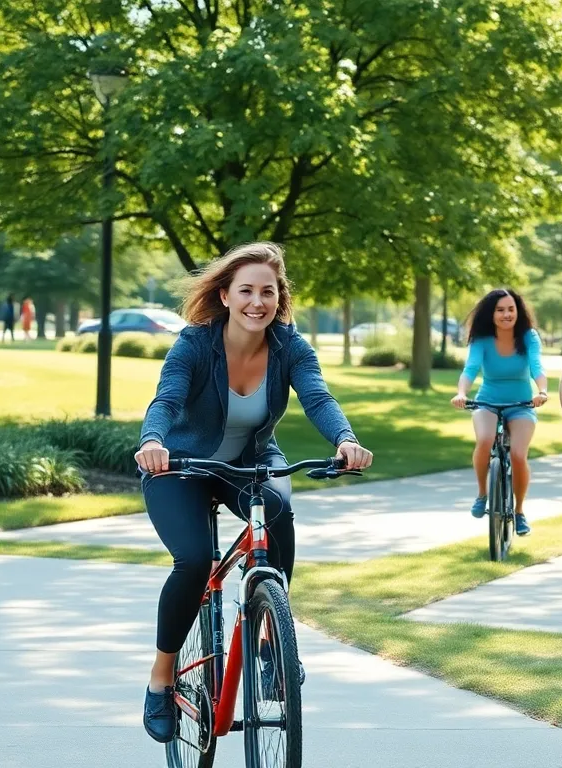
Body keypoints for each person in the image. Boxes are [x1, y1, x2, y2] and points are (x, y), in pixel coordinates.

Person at [131, 242, 374, 744]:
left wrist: (346, 440)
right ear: (224, 295)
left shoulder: (291, 347)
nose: (256, 302)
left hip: (252, 462)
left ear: (278, 297)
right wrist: (152, 442)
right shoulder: (194, 344)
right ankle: (160, 677)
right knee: (195, 560)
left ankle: (270, 637)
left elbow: (317, 397)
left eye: (268, 291)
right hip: (182, 464)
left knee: (278, 514)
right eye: (246, 291)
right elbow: (168, 397)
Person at [450, 288, 550, 537]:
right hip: (488, 401)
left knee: (517, 454)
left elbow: (537, 366)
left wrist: (543, 391)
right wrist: (462, 393)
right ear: (491, 314)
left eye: (511, 309)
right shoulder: (481, 339)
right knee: (484, 440)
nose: (506, 314)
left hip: (522, 404)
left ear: (518, 311)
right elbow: (470, 369)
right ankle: (482, 494)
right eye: (500, 310)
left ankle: (519, 512)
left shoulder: (528, 336)